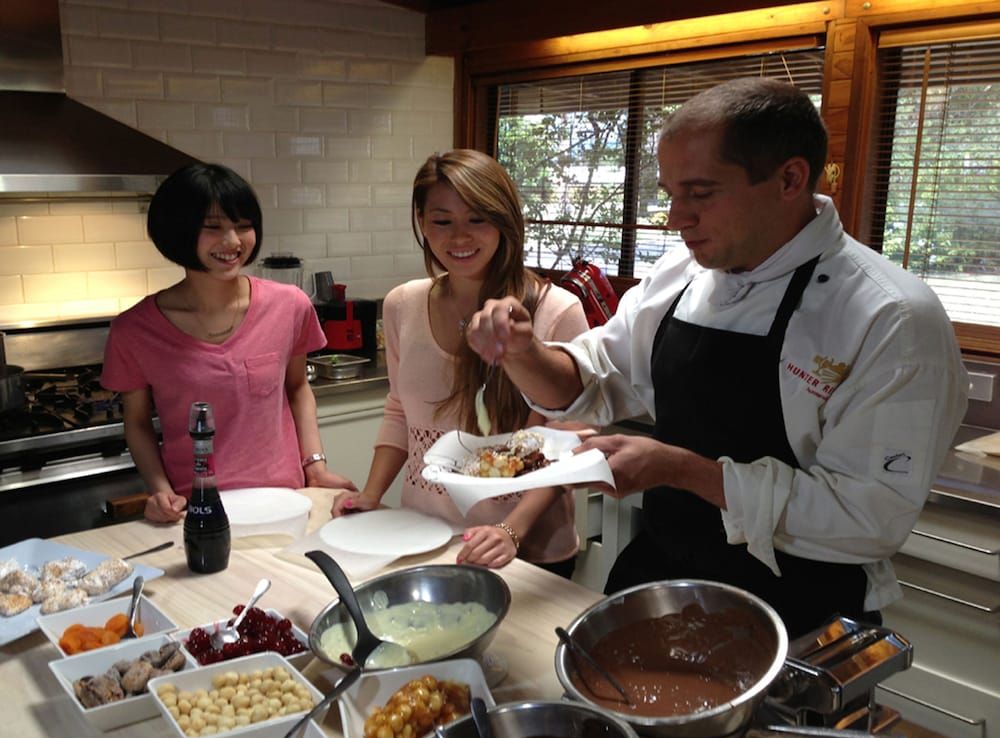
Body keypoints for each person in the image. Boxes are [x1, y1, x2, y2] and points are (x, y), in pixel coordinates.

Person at [466, 78, 968, 636]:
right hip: (661, 582)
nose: (675, 217)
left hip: (800, 613)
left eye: (700, 193)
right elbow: (594, 381)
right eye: (670, 192)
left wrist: (678, 468)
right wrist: (524, 351)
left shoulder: (890, 318)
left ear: (790, 179)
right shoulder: (679, 277)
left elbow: (866, 519)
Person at [331, 149, 590, 577]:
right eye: (442, 221)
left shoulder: (555, 311)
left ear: (505, 220)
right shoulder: (402, 304)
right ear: (421, 223)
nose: (459, 238)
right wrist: (373, 494)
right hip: (423, 534)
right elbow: (400, 410)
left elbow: (566, 444)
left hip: (526, 547)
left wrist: (510, 529)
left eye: (477, 218)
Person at [102, 163, 355, 523]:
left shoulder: (289, 305)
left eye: (243, 225)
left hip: (285, 502)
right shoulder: (134, 330)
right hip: (197, 510)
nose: (233, 242)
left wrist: (315, 465)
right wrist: (160, 490)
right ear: (178, 231)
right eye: (213, 228)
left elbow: (297, 388)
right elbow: (138, 422)